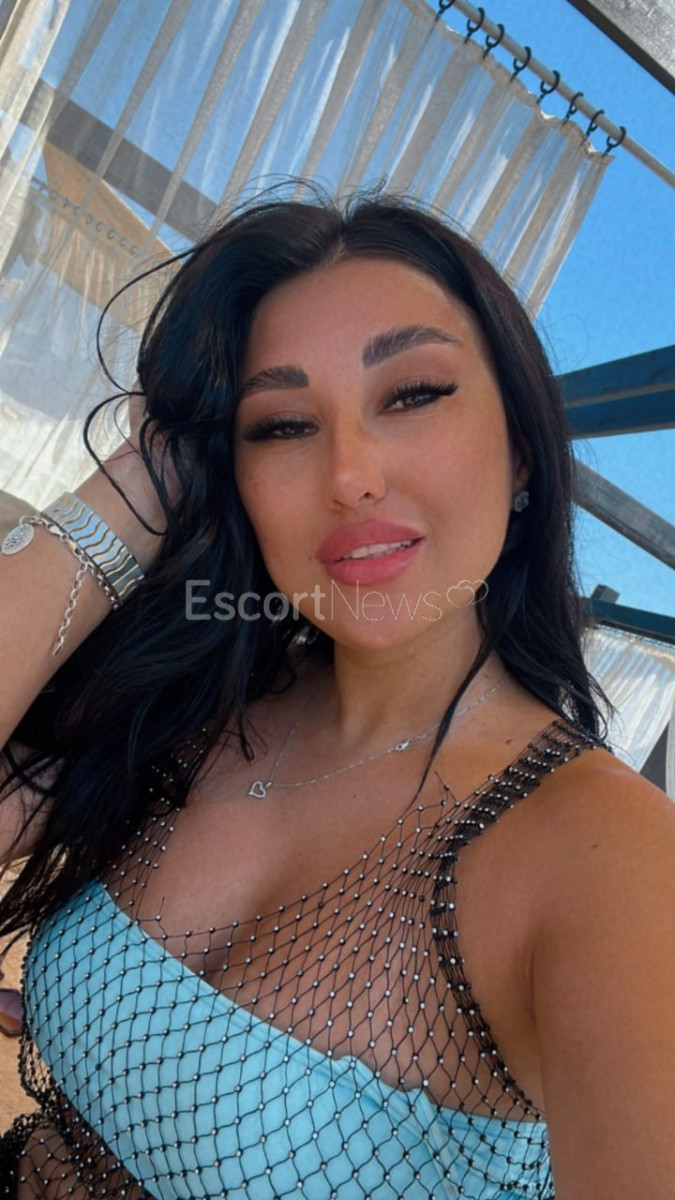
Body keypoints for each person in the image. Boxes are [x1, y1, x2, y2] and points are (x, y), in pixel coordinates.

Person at [0, 183, 674, 1200]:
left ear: (523, 454)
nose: (349, 474)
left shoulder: (608, 857)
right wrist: (144, 486)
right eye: (280, 425)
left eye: (413, 394)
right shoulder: (201, 704)